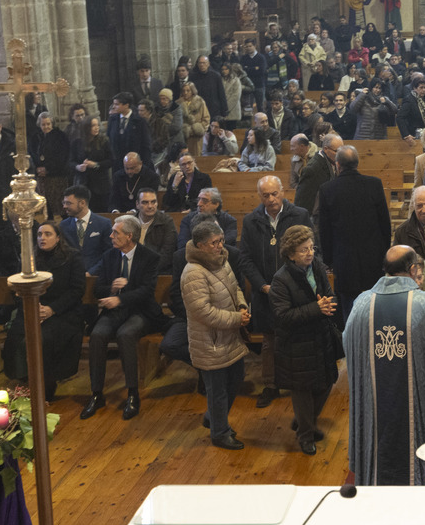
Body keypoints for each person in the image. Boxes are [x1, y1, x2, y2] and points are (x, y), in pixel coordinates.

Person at [344, 245, 425, 484]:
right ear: (413, 269)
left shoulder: (361, 304)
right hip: (413, 406)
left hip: (375, 407)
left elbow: (347, 343)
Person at [239, 174, 314, 408]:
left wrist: (291, 284)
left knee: (296, 339)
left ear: (283, 192)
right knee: (269, 342)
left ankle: (298, 382)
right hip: (265, 293)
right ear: (259, 196)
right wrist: (262, 285)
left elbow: (311, 251)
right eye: (265, 195)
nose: (271, 199)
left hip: (295, 291)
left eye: (274, 193)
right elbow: (245, 259)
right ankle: (270, 385)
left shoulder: (299, 215)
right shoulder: (251, 220)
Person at [80, 215, 163, 421]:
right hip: (114, 311)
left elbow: (146, 291)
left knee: (126, 335)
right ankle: (96, 393)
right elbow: (98, 289)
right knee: (98, 335)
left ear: (129, 236)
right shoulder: (110, 256)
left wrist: (121, 299)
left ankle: (133, 394)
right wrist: (111, 289)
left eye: (116, 232)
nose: (111, 235)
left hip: (140, 311)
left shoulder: (149, 257)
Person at [269, 225, 339, 455]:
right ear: (290, 254)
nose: (309, 253)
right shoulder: (281, 280)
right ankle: (305, 435)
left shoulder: (316, 266)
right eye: (303, 250)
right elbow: (283, 317)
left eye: (311, 248)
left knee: (326, 382)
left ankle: (305, 421)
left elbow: (328, 292)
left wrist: (328, 305)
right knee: (302, 391)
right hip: (296, 344)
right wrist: (316, 308)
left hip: (320, 336)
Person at [182, 219, 251, 450]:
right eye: (214, 243)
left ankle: (213, 418)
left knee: (236, 379)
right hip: (210, 341)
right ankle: (219, 433)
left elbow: (236, 288)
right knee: (218, 390)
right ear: (200, 245)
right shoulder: (193, 272)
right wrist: (236, 319)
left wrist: (242, 306)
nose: (220, 246)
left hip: (229, 336)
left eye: (221, 240)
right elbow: (203, 312)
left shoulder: (221, 261)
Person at [1, 222, 85, 398]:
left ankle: (46, 387)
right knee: (15, 339)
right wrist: (33, 306)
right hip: (32, 309)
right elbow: (18, 287)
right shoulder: (29, 258)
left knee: (44, 339)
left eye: (48, 234)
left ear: (58, 237)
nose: (42, 238)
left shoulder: (72, 257)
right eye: (39, 234)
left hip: (63, 312)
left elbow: (77, 290)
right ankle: (24, 381)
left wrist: (52, 309)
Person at [319, 147, 391, 324]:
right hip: (373, 260)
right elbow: (385, 224)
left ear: (337, 165)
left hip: (344, 262)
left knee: (349, 314)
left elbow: (324, 230)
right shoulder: (374, 184)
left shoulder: (327, 189)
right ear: (357, 164)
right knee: (375, 311)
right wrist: (384, 254)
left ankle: (351, 350)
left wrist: (329, 260)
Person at [60, 185, 113, 271]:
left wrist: (92, 273)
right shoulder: (63, 225)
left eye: (68, 203)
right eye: (64, 203)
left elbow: (109, 254)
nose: (64, 206)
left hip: (97, 276)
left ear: (82, 203)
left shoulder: (104, 224)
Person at [71, 116, 112, 208]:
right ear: (86, 127)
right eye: (93, 125)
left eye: (97, 125)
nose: (97, 127)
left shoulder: (104, 141)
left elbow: (111, 160)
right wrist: (78, 167)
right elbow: (70, 161)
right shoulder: (77, 142)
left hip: (101, 183)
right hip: (83, 182)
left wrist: (96, 164)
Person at [132, 188, 177, 271]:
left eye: (153, 202)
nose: (150, 206)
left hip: (157, 270)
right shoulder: (130, 222)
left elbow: (168, 253)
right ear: (137, 204)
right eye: (145, 202)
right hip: (133, 269)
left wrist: (147, 269)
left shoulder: (166, 222)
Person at [106, 92, 153, 171]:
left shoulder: (139, 122)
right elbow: (109, 140)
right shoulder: (112, 119)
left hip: (133, 165)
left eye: (117, 104)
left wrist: (144, 165)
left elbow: (146, 145)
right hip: (116, 164)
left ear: (126, 105)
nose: (114, 107)